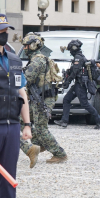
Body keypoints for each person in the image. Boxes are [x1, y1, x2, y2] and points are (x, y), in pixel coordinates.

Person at [0, 13, 31, 198]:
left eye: (6, 30)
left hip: (11, 126)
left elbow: (21, 91)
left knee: (8, 180)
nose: (3, 34)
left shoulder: (14, 59)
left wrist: (27, 125)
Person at [21, 32, 68, 164]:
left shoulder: (38, 60)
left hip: (42, 99)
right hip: (38, 97)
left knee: (41, 128)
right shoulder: (37, 59)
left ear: (35, 45)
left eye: (26, 46)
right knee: (21, 120)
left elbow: (26, 80)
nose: (24, 48)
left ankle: (59, 153)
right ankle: (39, 142)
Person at [54, 39, 100, 129]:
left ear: (74, 49)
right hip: (78, 84)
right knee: (66, 99)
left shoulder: (78, 58)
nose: (70, 52)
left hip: (80, 85)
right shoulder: (79, 57)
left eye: (70, 50)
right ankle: (64, 121)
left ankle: (99, 119)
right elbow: (73, 71)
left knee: (84, 103)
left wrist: (68, 81)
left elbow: (75, 72)